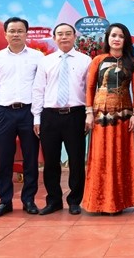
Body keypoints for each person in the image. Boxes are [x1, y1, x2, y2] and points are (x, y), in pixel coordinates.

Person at [32, 23, 92, 215]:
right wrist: (36, 118)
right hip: (50, 116)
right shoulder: (45, 61)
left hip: (75, 114)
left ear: (75, 37)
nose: (64, 37)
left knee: (76, 160)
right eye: (60, 34)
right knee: (50, 161)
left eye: (68, 34)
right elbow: (38, 90)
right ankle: (54, 200)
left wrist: (89, 114)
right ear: (54, 37)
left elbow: (90, 90)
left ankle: (75, 200)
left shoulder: (86, 60)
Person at [0, 17, 43, 218]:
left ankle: (29, 199)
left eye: (20, 31)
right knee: (4, 158)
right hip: (4, 112)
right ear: (5, 34)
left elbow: (40, 88)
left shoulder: (38, 57)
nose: (16, 34)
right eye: (12, 31)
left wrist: (37, 116)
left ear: (27, 33)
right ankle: (5, 201)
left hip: (29, 111)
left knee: (30, 158)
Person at [83, 23, 134, 214]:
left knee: (120, 156)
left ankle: (118, 202)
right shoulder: (98, 60)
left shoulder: (132, 63)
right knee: (101, 156)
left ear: (126, 40)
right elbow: (90, 87)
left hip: (124, 116)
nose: (116, 39)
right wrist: (89, 113)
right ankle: (98, 202)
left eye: (121, 36)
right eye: (113, 35)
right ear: (107, 38)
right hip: (101, 115)